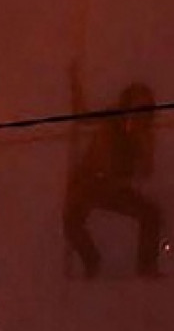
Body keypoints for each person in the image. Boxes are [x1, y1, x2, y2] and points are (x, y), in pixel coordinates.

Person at [63, 62, 164, 278]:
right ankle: (92, 262)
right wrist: (75, 85)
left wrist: (143, 145)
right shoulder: (111, 119)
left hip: (115, 187)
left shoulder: (144, 135)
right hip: (90, 182)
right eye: (136, 105)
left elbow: (145, 172)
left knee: (152, 215)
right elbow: (83, 118)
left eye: (144, 108)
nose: (139, 114)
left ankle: (146, 268)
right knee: (71, 222)